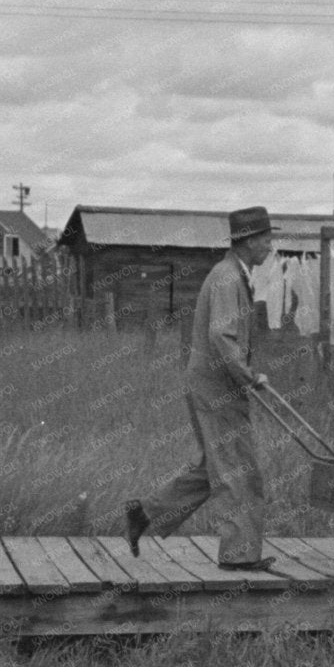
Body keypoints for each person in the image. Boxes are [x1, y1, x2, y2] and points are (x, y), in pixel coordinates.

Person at [125, 206, 280, 573]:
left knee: (216, 465)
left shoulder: (231, 274)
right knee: (238, 470)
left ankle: (144, 513)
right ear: (249, 241)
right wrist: (248, 376)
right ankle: (239, 556)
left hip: (213, 384)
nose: (270, 247)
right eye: (267, 239)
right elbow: (221, 335)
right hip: (218, 387)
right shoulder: (227, 277)